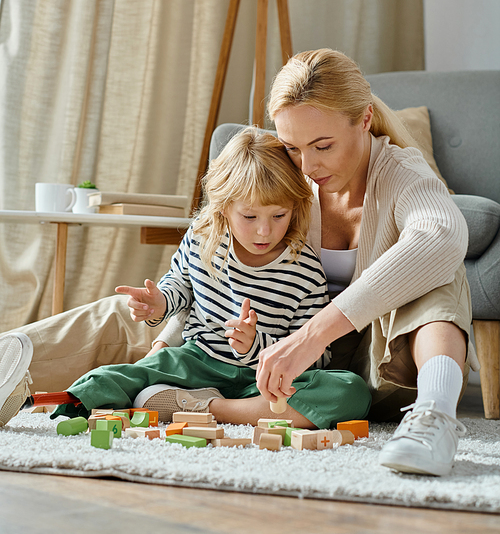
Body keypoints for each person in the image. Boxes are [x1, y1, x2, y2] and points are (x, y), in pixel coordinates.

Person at [0, 128, 371, 430]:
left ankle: (208, 408)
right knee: (119, 375)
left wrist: (257, 346)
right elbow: (180, 285)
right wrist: (159, 302)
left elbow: (318, 356)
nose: (264, 231)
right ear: (224, 208)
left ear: (295, 208)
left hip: (262, 381)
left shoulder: (304, 268)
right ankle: (47, 404)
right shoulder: (202, 237)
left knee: (350, 391)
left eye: (278, 216)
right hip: (196, 361)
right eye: (250, 217)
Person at [253, 48, 473, 476]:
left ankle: (434, 418)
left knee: (435, 273)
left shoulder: (402, 173)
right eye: (293, 148)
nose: (309, 166)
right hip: (284, 362)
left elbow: (443, 235)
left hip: (378, 367)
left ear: (365, 120)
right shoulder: (288, 174)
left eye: (323, 146)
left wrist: (313, 336)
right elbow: (212, 248)